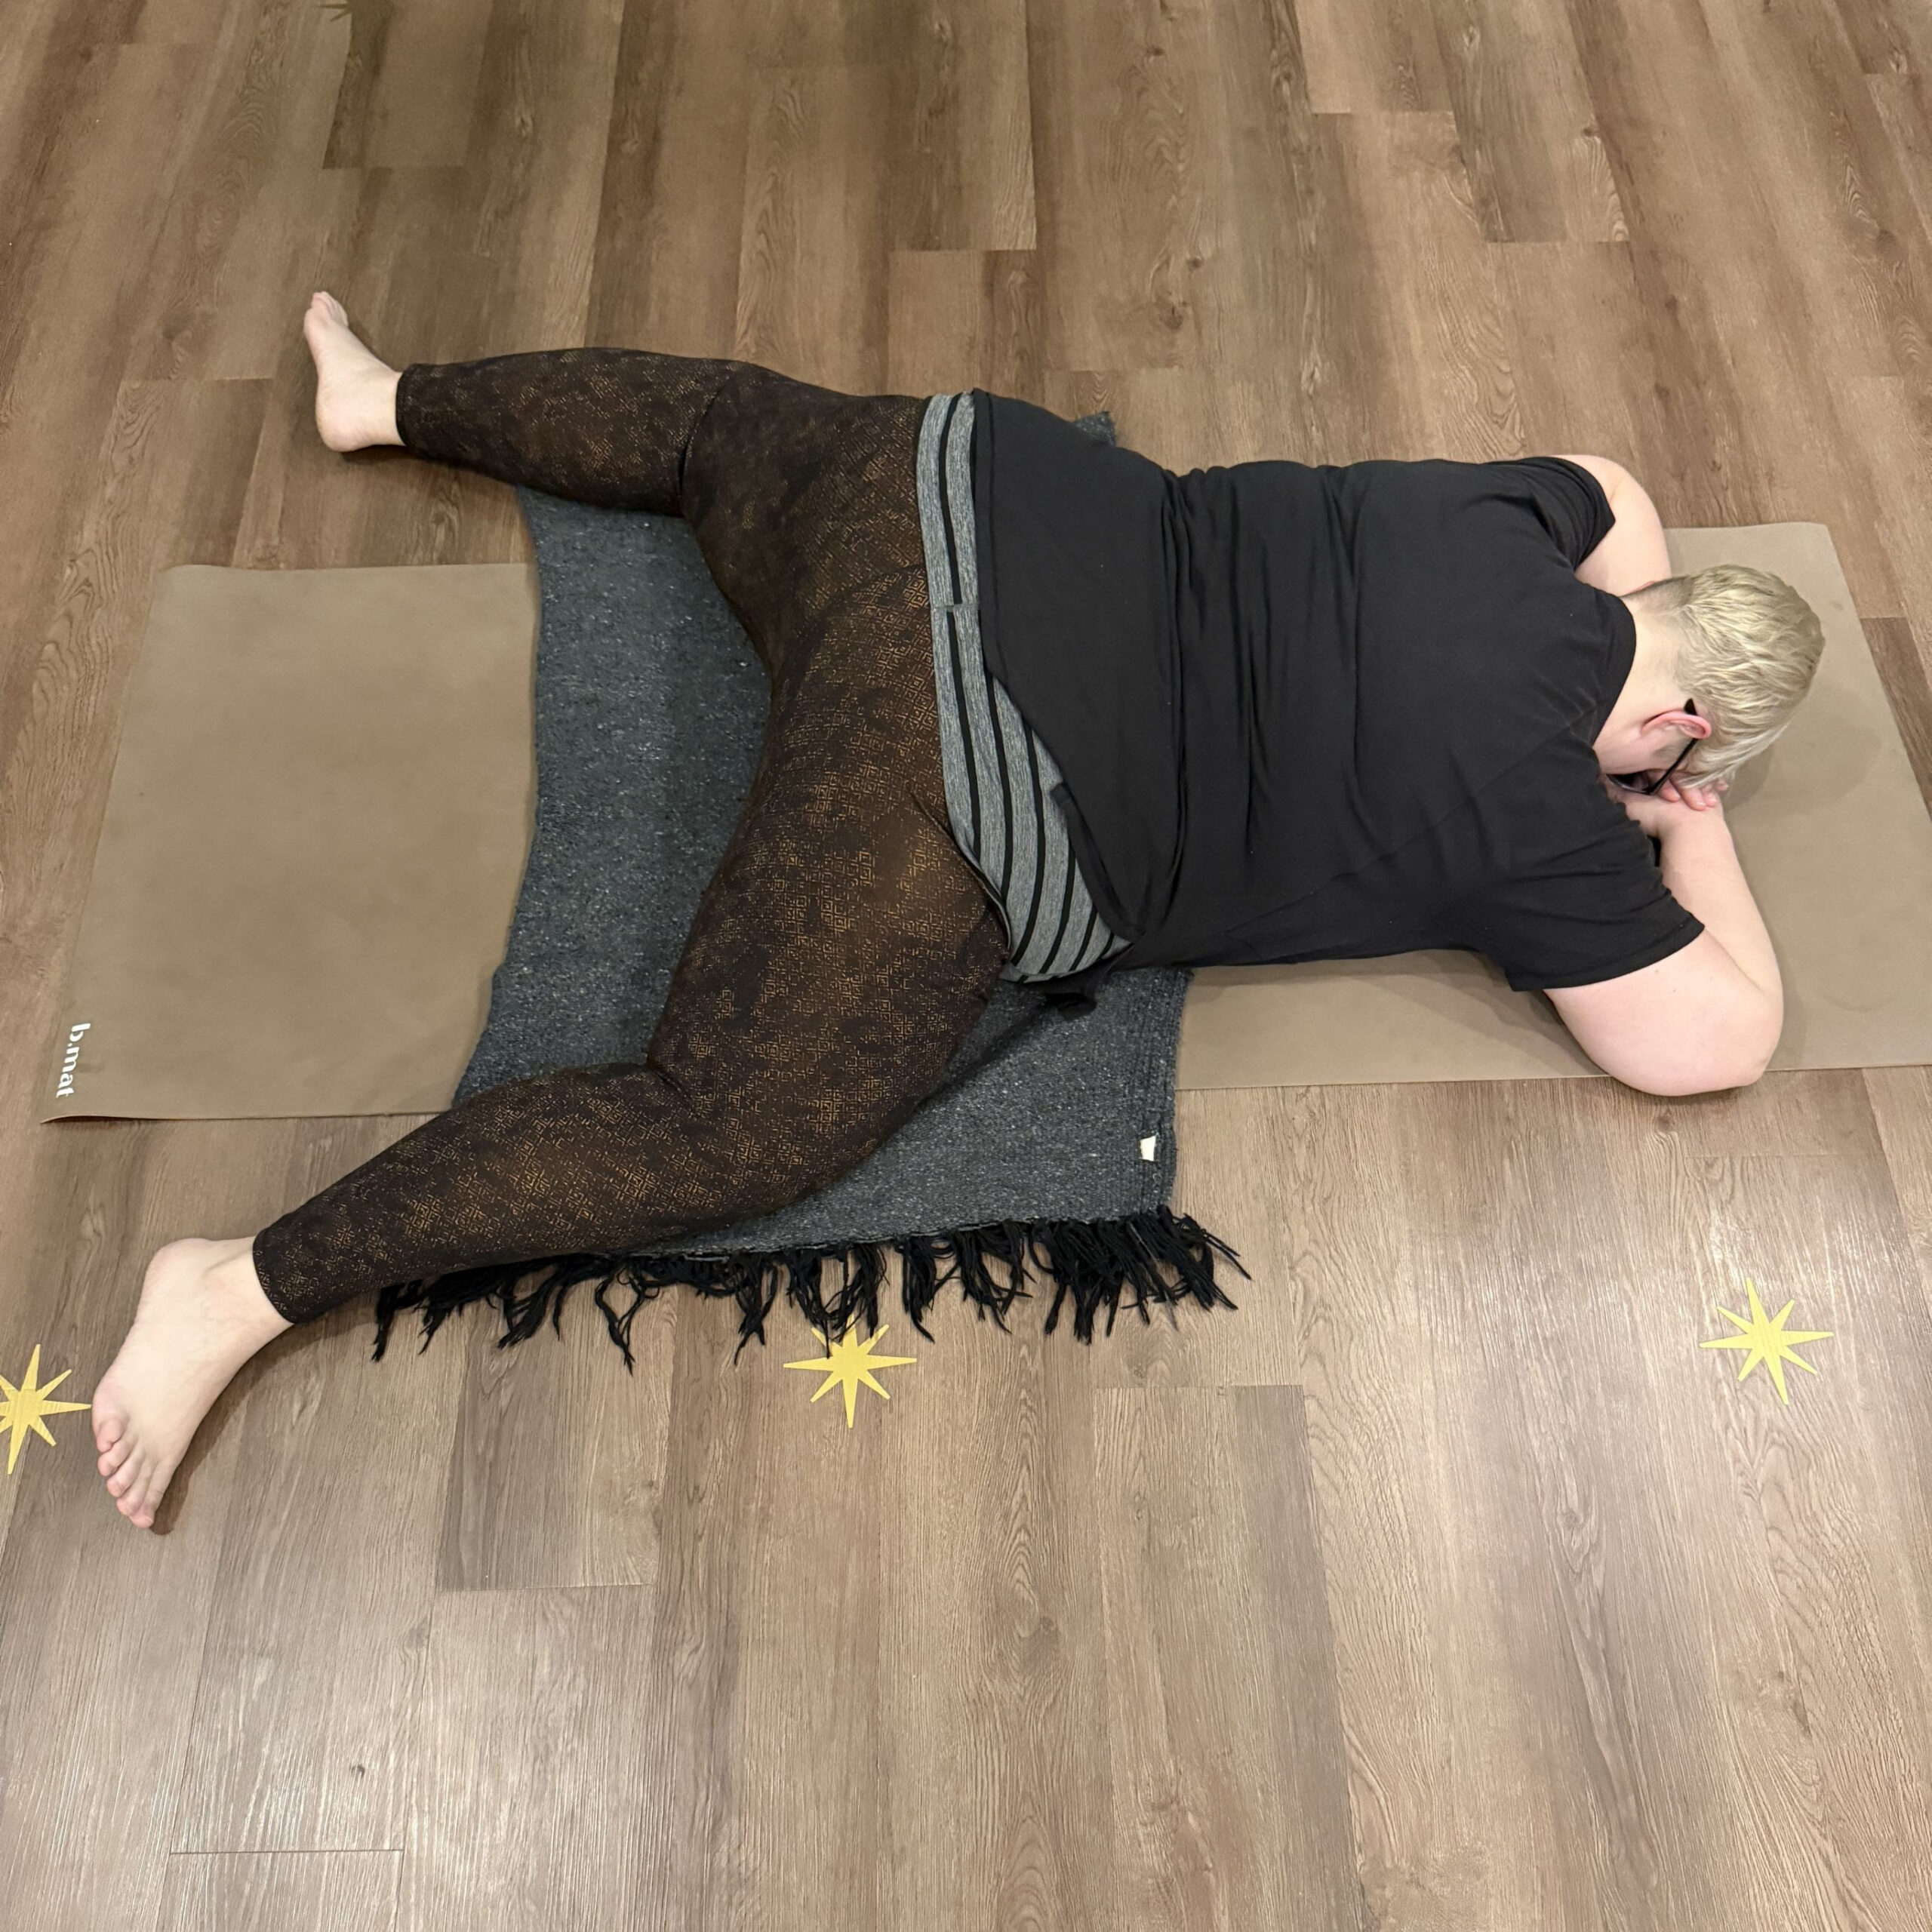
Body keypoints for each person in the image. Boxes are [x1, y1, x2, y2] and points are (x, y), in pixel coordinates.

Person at [88, 293, 1824, 1527]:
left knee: (709, 430)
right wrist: (1686, 825)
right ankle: (231, 1285)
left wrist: (1646, 667)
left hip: (938, 487)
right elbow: (1715, 1038)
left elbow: (1618, 495)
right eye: (1688, 746)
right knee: (726, 1124)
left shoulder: (1537, 516)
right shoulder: (1545, 822)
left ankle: (386, 397)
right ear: (1679, 727)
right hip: (956, 778)